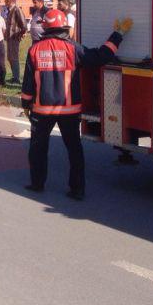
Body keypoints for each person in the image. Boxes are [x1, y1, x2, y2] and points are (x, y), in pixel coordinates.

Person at [21, 10, 133, 200]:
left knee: (38, 149)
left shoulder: (34, 49)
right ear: (64, 27)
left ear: (46, 27)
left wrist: (26, 103)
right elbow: (100, 57)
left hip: (42, 110)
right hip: (69, 110)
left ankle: (37, 184)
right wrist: (118, 35)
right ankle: (77, 189)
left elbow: (28, 83)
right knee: (74, 150)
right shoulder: (73, 49)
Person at [5, 0, 27, 84]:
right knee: (10, 57)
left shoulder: (17, 10)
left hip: (14, 37)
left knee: (14, 57)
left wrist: (19, 35)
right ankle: (14, 76)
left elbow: (24, 25)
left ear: (10, 1)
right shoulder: (9, 10)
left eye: (6, 1)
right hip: (10, 38)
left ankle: (16, 78)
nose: (5, 3)